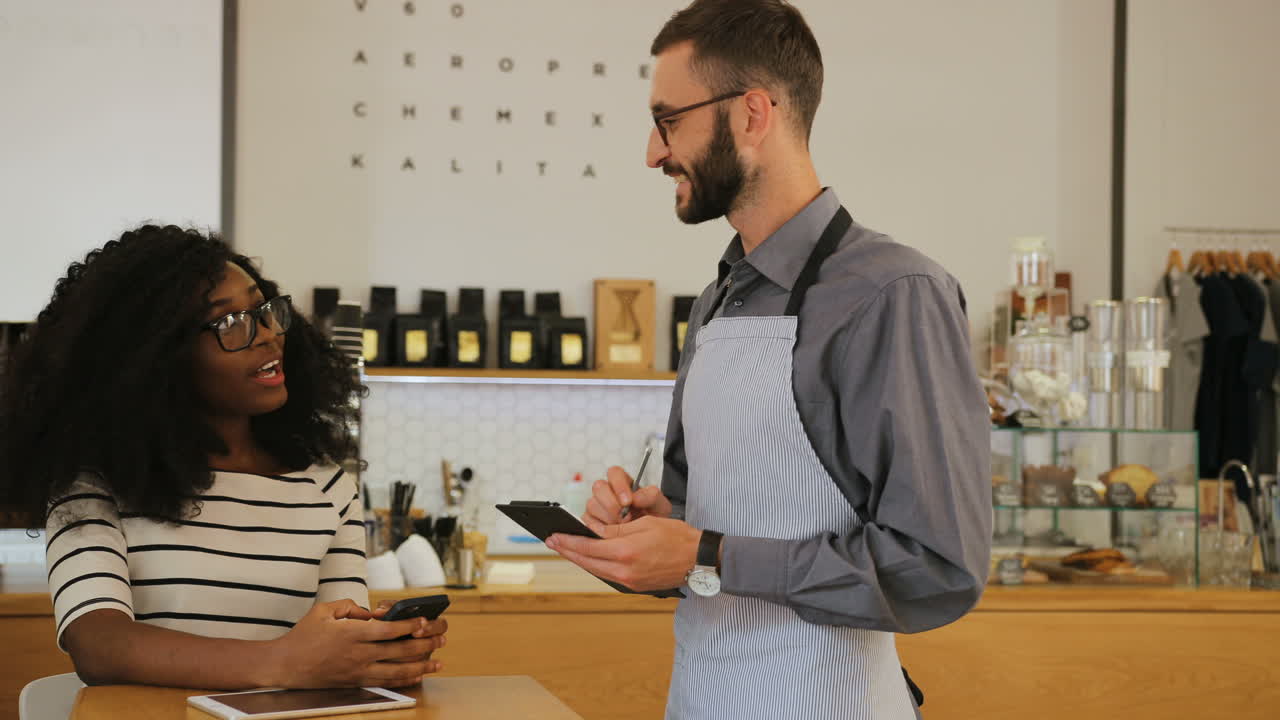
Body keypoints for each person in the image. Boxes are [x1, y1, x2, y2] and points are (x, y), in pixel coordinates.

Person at [545, 2, 991, 718]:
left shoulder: (894, 293)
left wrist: (706, 554)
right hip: (701, 700)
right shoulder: (717, 300)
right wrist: (658, 528)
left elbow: (938, 568)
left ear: (752, 115)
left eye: (668, 121)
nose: (654, 153)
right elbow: (710, 533)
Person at [0, 225, 447, 689]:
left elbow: (337, 646)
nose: (268, 334)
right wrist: (281, 662)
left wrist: (380, 651)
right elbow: (98, 645)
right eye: (230, 322)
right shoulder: (93, 482)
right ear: (156, 355)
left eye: (264, 310)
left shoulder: (327, 486)